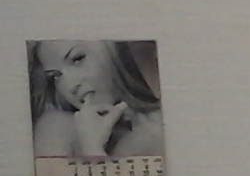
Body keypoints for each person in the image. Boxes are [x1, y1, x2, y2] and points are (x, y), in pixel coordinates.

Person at [29, 40, 165, 159]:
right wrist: (91, 148)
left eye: (77, 59)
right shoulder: (57, 129)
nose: (70, 86)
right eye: (56, 76)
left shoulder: (160, 123)